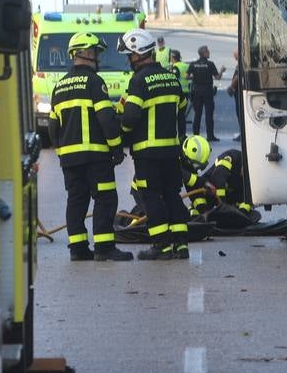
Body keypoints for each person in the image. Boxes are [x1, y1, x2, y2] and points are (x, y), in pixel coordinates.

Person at [47, 32, 133, 261]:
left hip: (70, 159)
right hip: (95, 156)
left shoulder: (60, 86)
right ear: (84, 52)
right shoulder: (95, 82)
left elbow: (52, 125)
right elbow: (106, 118)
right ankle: (104, 248)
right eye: (95, 52)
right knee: (105, 199)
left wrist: (61, 152)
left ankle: (78, 249)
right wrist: (116, 148)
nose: (98, 57)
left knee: (76, 200)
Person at [119, 28, 192, 260]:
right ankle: (181, 246)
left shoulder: (139, 81)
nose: (129, 60)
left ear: (138, 54)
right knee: (172, 195)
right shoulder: (171, 78)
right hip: (171, 151)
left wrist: (121, 134)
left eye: (129, 55)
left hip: (147, 153)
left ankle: (161, 246)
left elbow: (130, 117)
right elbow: (182, 107)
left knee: (151, 197)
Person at [187, 45, 225, 141]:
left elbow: (186, 76)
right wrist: (221, 71)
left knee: (197, 114)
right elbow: (217, 77)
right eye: (208, 51)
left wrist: (195, 77)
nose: (209, 53)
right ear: (204, 53)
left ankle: (196, 135)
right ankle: (210, 136)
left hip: (196, 91)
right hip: (207, 91)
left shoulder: (193, 64)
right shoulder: (210, 64)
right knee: (209, 115)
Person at [170, 49, 190, 134]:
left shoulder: (175, 67)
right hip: (186, 92)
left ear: (173, 58)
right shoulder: (186, 65)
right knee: (182, 115)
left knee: (175, 115)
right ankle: (182, 134)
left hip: (177, 93)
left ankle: (176, 134)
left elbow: (174, 78)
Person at [227, 47, 242, 141]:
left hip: (239, 92)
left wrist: (231, 87)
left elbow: (237, 77)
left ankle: (242, 134)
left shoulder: (240, 64)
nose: (234, 57)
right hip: (239, 91)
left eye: (235, 55)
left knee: (240, 113)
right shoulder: (241, 63)